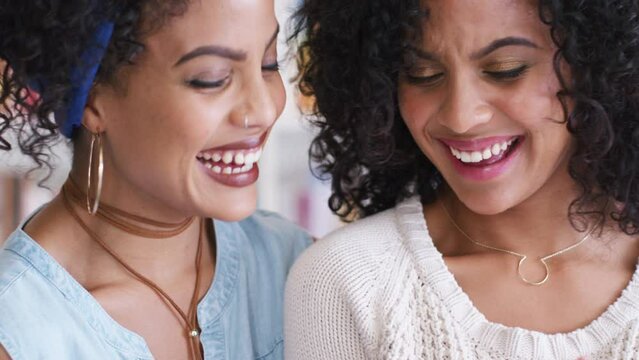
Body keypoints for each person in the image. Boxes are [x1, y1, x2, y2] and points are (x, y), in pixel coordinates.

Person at [285, 0, 639, 358]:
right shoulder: (348, 281)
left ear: (596, 66)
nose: (460, 116)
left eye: (505, 69)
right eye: (423, 74)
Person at [0, 0, 311, 359]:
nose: (263, 109)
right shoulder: (19, 337)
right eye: (211, 78)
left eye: (269, 63)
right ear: (92, 100)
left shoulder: (298, 267)